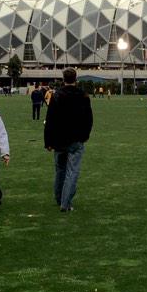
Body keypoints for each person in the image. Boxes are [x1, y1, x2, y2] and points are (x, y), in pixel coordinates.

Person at [44, 68, 93, 212]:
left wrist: (48, 141)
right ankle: (65, 203)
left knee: (60, 170)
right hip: (76, 139)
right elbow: (89, 119)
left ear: (63, 79)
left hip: (59, 139)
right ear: (75, 79)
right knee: (72, 171)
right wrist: (85, 135)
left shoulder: (57, 95)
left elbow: (50, 119)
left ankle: (59, 198)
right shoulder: (83, 96)